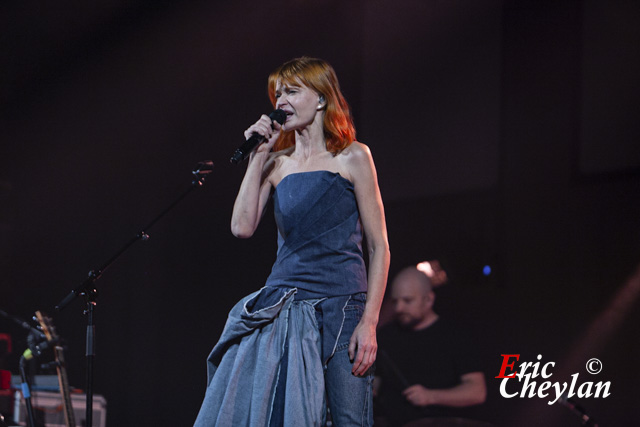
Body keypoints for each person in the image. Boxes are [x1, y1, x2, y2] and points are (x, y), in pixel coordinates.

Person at [194, 57, 390, 427]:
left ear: (320, 100)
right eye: (278, 93)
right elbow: (241, 227)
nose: (281, 101)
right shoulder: (277, 164)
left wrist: (370, 322)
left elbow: (379, 245)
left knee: (350, 418)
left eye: (292, 91)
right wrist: (259, 157)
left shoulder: (352, 156)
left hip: (342, 306)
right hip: (286, 307)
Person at [375, 266, 487, 426]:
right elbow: (378, 381)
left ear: (428, 300)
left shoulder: (454, 336)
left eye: (407, 300)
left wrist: (431, 396)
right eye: (395, 301)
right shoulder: (386, 335)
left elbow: (477, 391)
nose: (399, 308)